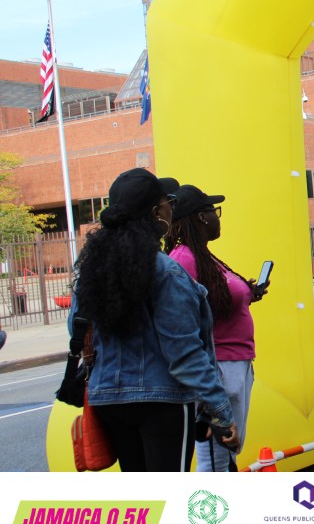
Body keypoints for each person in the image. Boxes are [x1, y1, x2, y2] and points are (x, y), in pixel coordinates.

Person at [71, 168, 238, 472]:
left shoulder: (92, 269)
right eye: (168, 203)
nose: (171, 210)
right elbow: (184, 353)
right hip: (162, 403)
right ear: (156, 213)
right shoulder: (166, 273)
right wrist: (221, 410)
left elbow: (77, 330)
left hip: (109, 401)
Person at [165, 184, 266, 472]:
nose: (217, 218)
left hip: (235, 362)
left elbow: (213, 302)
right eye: (213, 211)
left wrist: (248, 293)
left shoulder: (203, 257)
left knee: (227, 452)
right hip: (219, 368)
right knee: (216, 457)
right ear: (201, 217)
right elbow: (182, 321)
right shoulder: (183, 259)